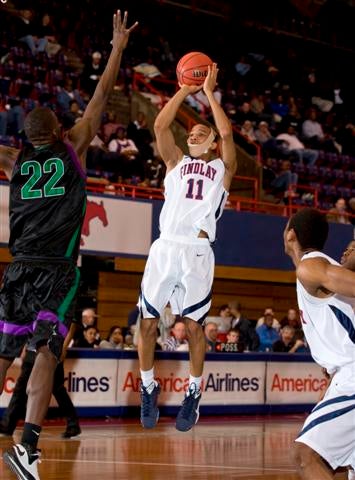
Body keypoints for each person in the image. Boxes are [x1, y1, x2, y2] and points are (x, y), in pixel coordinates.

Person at [0, 11, 137, 479]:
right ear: (60, 133)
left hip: (15, 268)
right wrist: (117, 47)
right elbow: (100, 99)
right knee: (45, 353)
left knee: (3, 353)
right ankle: (28, 447)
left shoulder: (14, 160)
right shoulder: (72, 146)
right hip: (55, 269)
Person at [137, 63, 237, 432]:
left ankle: (193, 393)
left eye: (201, 132)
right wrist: (183, 89)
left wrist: (208, 93)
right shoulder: (176, 162)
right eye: (192, 131)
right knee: (147, 325)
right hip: (165, 248)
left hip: (197, 252)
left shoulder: (222, 170)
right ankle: (148, 388)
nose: (194, 134)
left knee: (195, 329)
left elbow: (226, 131)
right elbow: (161, 126)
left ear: (211, 143)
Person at [284, 207, 355, 479]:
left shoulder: (311, 266)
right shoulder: (314, 270)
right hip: (342, 375)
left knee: (306, 455)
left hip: (351, 376)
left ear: (291, 235)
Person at [0, 324, 80, 439]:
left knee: (57, 389)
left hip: (50, 349)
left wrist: (64, 347)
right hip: (34, 350)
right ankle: (7, 425)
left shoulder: (63, 307)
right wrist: (25, 346)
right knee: (21, 388)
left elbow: (71, 324)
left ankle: (73, 423)